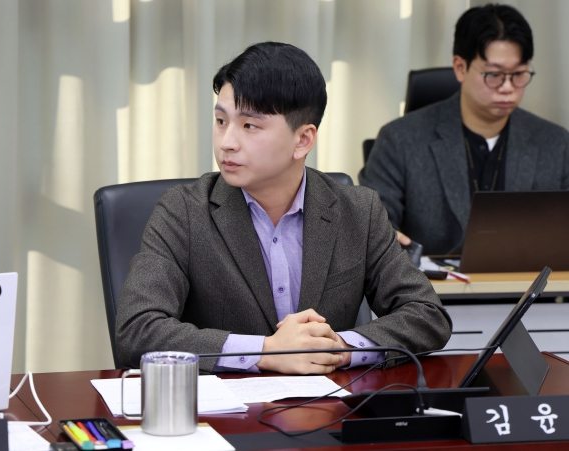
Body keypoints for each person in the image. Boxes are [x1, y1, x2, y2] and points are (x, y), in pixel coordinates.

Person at [116, 42, 451, 374]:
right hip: (226, 404)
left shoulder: (359, 211)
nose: (226, 142)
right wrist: (263, 352)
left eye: (249, 126)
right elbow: (137, 329)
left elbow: (427, 315)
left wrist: (341, 348)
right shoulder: (183, 212)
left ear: (302, 140)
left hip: (329, 400)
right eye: (221, 121)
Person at [359, 4, 569, 255]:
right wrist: (383, 239)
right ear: (460, 67)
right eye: (494, 74)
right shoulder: (400, 140)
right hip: (428, 281)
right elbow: (372, 228)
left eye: (519, 74)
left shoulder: (555, 143)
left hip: (530, 280)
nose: (507, 87)